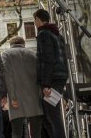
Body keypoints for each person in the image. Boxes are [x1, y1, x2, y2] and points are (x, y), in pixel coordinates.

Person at [33, 9, 69, 138]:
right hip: (59, 78)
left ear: (38, 19)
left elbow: (47, 59)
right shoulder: (57, 35)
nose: (35, 23)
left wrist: (46, 84)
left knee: (52, 117)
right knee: (50, 116)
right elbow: (64, 58)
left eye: (34, 20)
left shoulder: (44, 34)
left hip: (52, 80)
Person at [1, 36, 44, 138]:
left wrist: (12, 97)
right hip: (34, 99)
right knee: (36, 134)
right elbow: (40, 76)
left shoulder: (7, 55)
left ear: (11, 45)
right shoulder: (33, 54)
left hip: (17, 99)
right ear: (23, 44)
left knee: (16, 133)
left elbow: (8, 78)